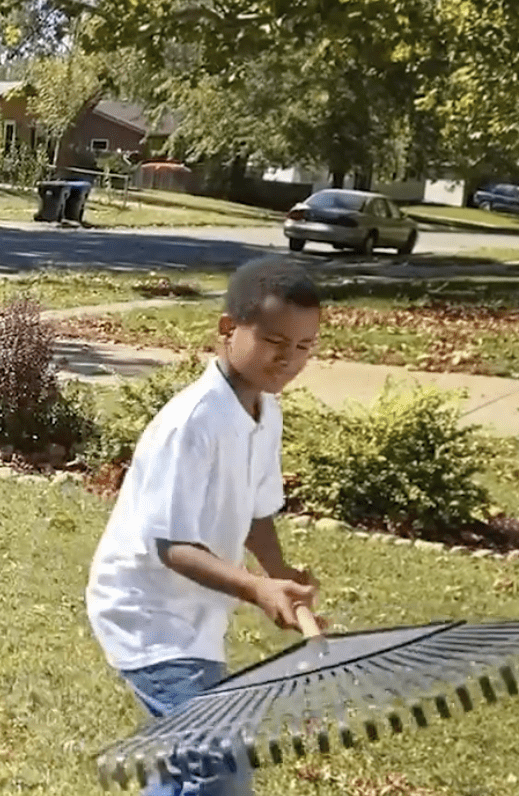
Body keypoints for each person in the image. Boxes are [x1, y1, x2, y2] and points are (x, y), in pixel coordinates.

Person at [84, 258, 327, 796]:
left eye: (305, 347)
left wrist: (280, 570)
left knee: (188, 766)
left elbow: (258, 509)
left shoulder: (266, 409)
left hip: (196, 619)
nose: (289, 359)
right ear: (227, 329)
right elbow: (174, 547)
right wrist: (257, 588)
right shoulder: (193, 422)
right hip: (145, 614)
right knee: (215, 770)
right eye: (275, 342)